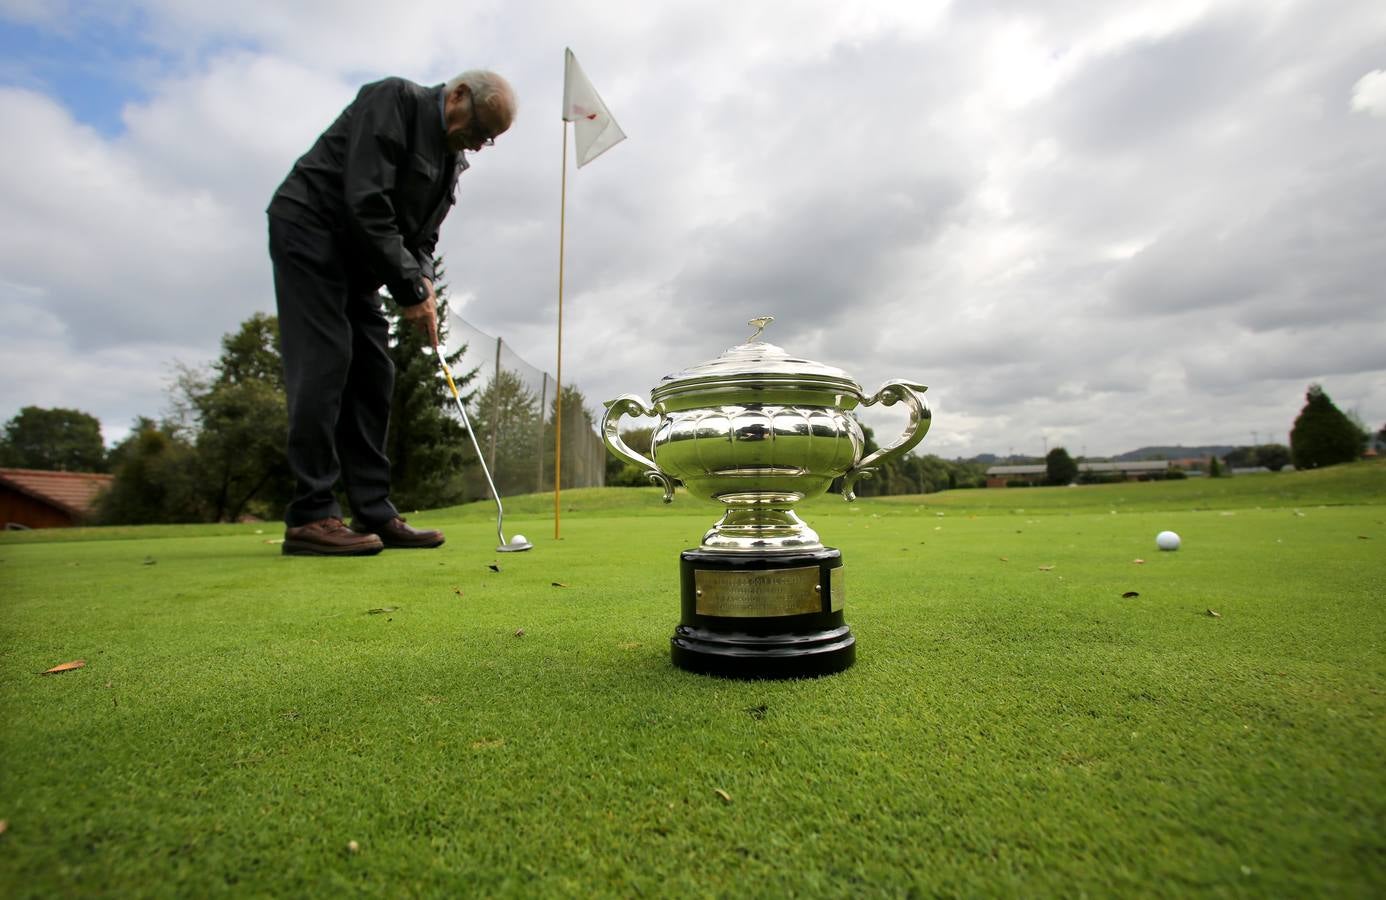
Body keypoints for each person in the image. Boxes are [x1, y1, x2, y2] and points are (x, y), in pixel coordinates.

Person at [267, 71, 516, 556]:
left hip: (359, 260)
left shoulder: (450, 161)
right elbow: (367, 200)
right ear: (459, 95)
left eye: (490, 138)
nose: (481, 144)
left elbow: (423, 238)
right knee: (325, 361)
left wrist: (421, 283)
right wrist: (407, 287)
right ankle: (312, 515)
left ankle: (373, 511)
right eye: (481, 128)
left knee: (374, 373)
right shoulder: (393, 101)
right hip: (310, 231)